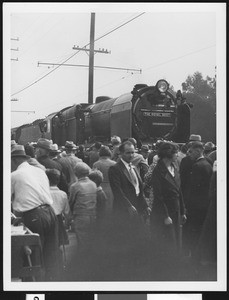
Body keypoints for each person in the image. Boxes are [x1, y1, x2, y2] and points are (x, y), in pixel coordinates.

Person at [11, 145, 60, 281]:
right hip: (50, 212)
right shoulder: (40, 171)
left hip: (33, 216)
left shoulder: (14, 175)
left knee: (34, 257)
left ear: (14, 160)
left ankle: (35, 286)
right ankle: (53, 284)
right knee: (51, 253)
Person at [149, 142, 187, 256]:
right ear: (168, 154)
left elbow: (179, 191)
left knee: (176, 240)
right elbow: (158, 196)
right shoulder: (158, 171)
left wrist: (182, 211)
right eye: (175, 153)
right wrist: (165, 216)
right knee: (167, 243)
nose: (177, 155)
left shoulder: (174, 167)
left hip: (175, 210)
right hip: (164, 212)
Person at [184, 141, 213, 258]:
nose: (188, 154)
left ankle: (193, 256)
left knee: (194, 232)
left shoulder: (196, 166)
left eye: (190, 152)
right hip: (206, 204)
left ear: (197, 151)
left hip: (195, 206)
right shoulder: (208, 162)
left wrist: (186, 205)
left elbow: (193, 188)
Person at [69, 162, 97, 253]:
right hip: (93, 215)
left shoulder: (75, 186)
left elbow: (71, 202)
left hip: (81, 216)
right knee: (91, 240)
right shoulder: (93, 184)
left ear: (76, 173)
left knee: (82, 242)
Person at [46, 168, 70, 247]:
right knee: (58, 243)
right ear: (58, 181)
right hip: (58, 220)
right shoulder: (62, 194)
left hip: (47, 219)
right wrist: (67, 223)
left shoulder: (44, 193)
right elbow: (66, 211)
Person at [93, 145, 116, 214]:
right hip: (112, 187)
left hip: (100, 187)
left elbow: (94, 177)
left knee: (101, 208)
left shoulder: (96, 164)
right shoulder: (114, 164)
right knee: (111, 207)